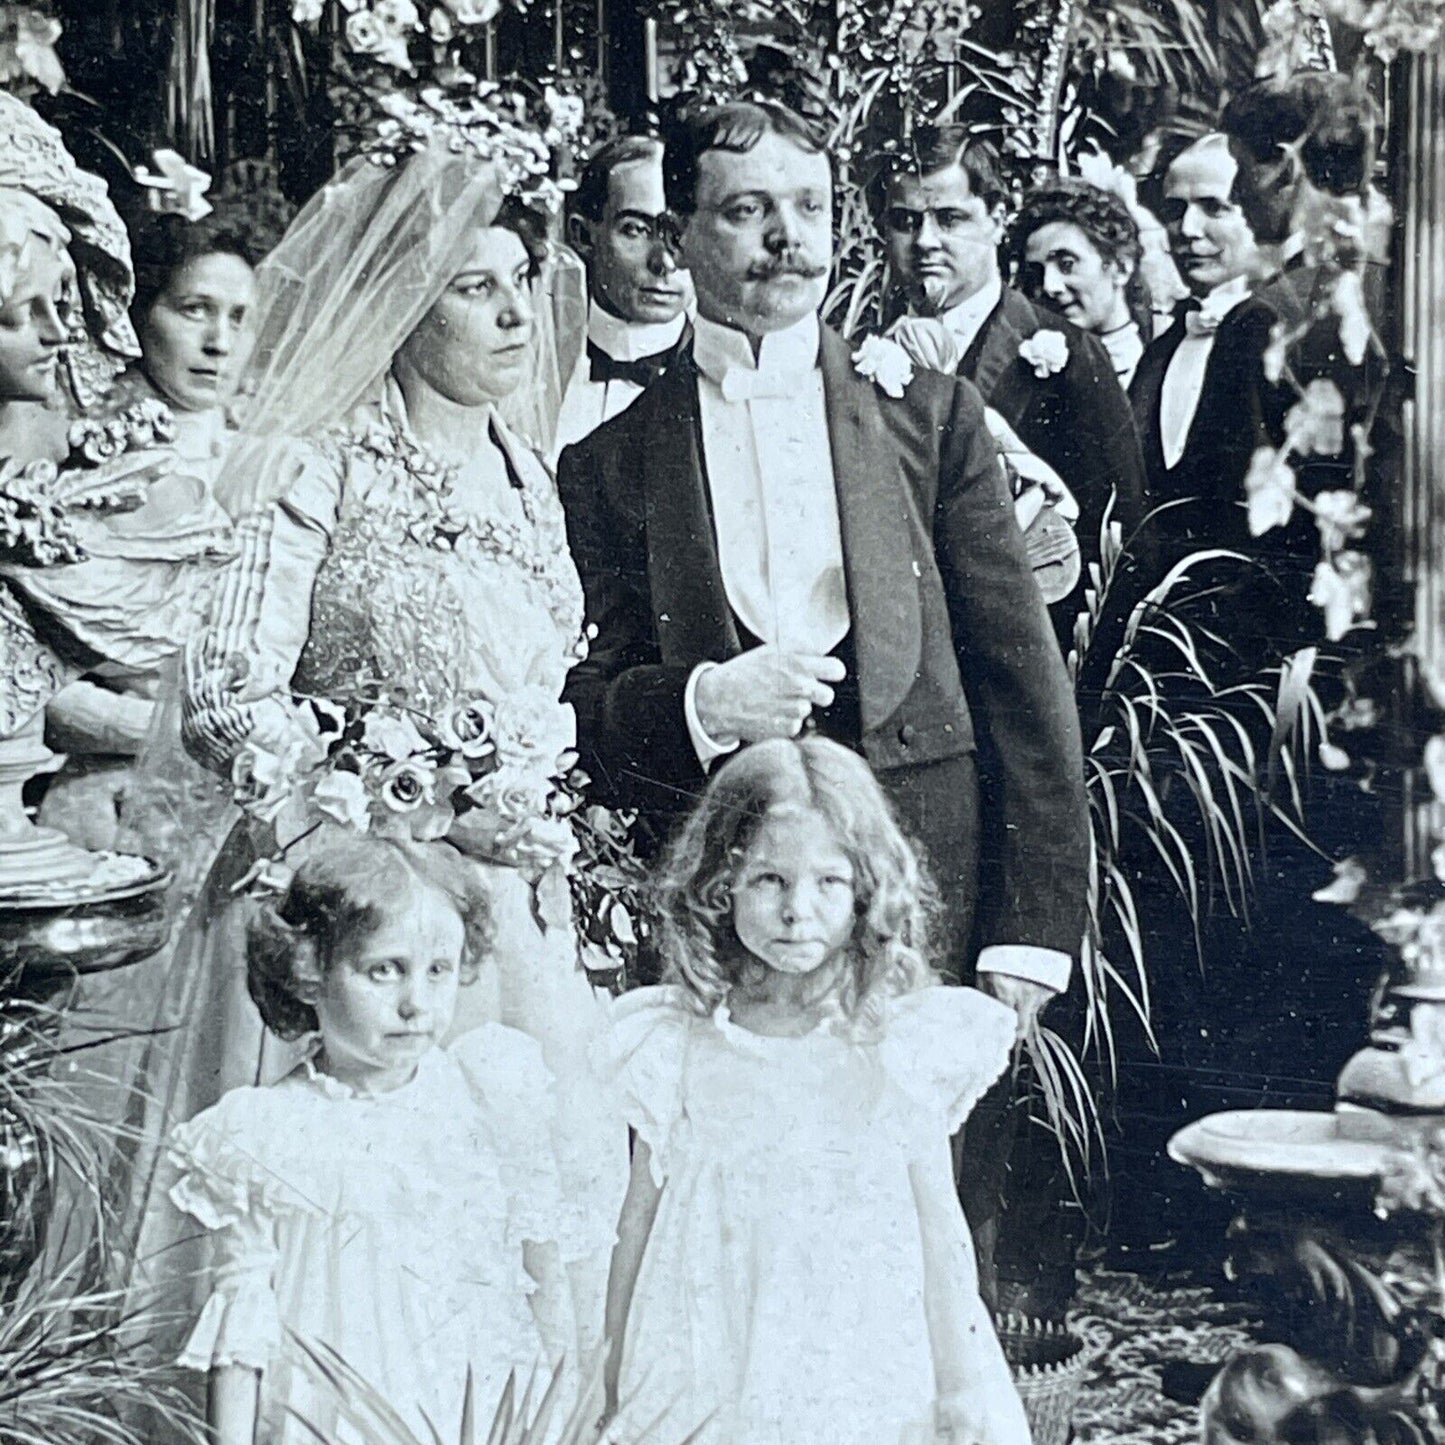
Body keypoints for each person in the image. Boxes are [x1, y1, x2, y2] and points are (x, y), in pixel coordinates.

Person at [122, 132, 625, 1366]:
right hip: (356, 913)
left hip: (512, 921)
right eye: (474, 285)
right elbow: (230, 691)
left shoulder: (526, 475)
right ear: (400, 304)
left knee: (513, 1241)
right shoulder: (312, 464)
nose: (516, 313)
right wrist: (409, 821)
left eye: (522, 280)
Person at [594, 737, 1031, 1445]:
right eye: (768, 879)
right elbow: (636, 1225)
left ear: (865, 890)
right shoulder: (674, 1043)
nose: (797, 910)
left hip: (855, 1365)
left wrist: (957, 1386)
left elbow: (936, 1229)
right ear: (719, 882)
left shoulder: (893, 1044)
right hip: (708, 1355)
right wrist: (608, 1376)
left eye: (827, 882)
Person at [168, 829, 577, 1444]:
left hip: (466, 1412)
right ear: (310, 973)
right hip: (327, 1415)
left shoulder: (489, 1100)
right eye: (385, 971)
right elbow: (242, 1317)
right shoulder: (266, 1131)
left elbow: (540, 1286)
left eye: (438, 970)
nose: (417, 1002)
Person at [872, 126, 1147, 620]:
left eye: (950, 218)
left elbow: (1120, 537)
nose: (925, 242)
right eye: (905, 221)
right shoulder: (867, 358)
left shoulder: (1069, 352)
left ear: (997, 219)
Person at [550, 135, 691, 460]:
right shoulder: (535, 367)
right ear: (583, 236)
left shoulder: (722, 384)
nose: (665, 262)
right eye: (636, 230)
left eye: (678, 234)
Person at [1011, 176, 1153, 389]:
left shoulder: (1155, 369)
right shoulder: (1032, 372)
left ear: (1121, 266)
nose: (1050, 286)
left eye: (1067, 264)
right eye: (1036, 272)